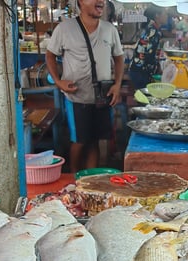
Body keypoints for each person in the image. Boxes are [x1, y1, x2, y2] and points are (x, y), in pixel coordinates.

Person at [46, 0, 123, 173]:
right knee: (79, 141)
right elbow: (50, 55)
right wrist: (58, 81)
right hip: (77, 97)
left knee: (95, 140)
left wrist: (117, 85)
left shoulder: (110, 30)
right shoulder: (65, 29)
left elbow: (119, 58)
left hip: (102, 97)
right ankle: (74, 178)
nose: (101, 1)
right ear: (81, 2)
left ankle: (90, 180)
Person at [128, 5, 167, 90]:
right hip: (141, 71)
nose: (166, 16)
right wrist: (156, 68)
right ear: (157, 15)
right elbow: (149, 54)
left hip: (139, 70)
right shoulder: (153, 31)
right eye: (164, 13)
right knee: (143, 98)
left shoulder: (152, 29)